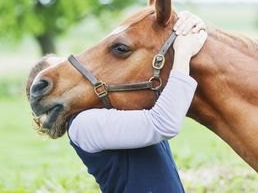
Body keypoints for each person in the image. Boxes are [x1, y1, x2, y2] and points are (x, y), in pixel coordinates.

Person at [28, 11, 207, 192]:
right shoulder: (83, 125)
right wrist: (183, 53)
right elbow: (162, 123)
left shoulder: (113, 107)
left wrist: (186, 25)